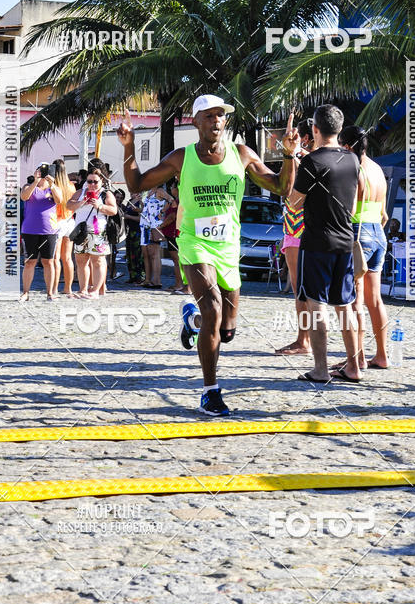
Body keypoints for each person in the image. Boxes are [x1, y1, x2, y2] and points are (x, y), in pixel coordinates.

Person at [117, 94, 299, 416]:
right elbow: (137, 184)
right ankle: (210, 391)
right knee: (214, 307)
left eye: (221, 115)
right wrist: (129, 147)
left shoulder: (241, 154)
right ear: (196, 121)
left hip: (228, 246)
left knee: (225, 329)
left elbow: (283, 188)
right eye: (210, 115)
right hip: (194, 242)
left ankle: (192, 319)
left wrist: (288, 154)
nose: (217, 121)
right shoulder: (181, 158)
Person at [287, 104, 361, 384]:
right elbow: (353, 205)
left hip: (317, 240)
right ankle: (353, 366)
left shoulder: (312, 162)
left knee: (314, 304)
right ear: (339, 129)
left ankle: (320, 368)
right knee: (345, 306)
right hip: (344, 240)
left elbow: (294, 202)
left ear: (315, 130)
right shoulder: (352, 160)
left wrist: (293, 159)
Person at [338, 125, 390, 370]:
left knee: (355, 302)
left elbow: (348, 210)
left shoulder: (353, 168)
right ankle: (382, 355)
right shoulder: (378, 169)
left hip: (359, 235)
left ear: (346, 145)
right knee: (375, 300)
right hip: (379, 234)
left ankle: (357, 358)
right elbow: (384, 214)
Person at [274, 118, 317, 355]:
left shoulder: (301, 159)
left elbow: (288, 188)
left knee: (300, 288)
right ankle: (306, 339)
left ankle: (304, 341)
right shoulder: (324, 157)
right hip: (307, 225)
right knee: (309, 289)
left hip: (296, 226)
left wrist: (291, 152)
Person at [66, 166, 118, 299]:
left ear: (101, 181)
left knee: (98, 261)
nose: (92, 185)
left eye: (95, 181)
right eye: (89, 181)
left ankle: (95, 290)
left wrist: (99, 206)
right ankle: (83, 290)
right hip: (81, 232)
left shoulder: (105, 194)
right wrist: (81, 202)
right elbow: (69, 205)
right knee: (81, 261)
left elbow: (113, 210)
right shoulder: (80, 192)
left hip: (97, 231)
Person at [20, 164, 63, 300]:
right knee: (29, 262)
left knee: (48, 261)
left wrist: (52, 183)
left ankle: (50, 293)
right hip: (30, 230)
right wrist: (36, 181)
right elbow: (24, 197)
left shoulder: (53, 188)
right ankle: (25, 292)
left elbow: (59, 200)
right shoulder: (28, 186)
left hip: (49, 231)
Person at [51, 160, 76, 298]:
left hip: (57, 221)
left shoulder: (54, 187)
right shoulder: (71, 186)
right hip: (70, 221)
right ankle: (68, 288)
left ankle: (54, 288)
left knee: (55, 258)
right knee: (67, 258)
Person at [140, 187, 172, 289]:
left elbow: (171, 200)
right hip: (145, 225)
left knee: (155, 253)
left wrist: (162, 212)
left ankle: (156, 280)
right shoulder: (147, 191)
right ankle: (148, 279)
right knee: (146, 254)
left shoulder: (160, 191)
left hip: (155, 224)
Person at [161, 179, 189, 294]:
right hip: (171, 233)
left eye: (172, 187)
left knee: (177, 261)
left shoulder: (178, 201)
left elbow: (173, 216)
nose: (171, 189)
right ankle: (179, 283)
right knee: (177, 261)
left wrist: (161, 226)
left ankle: (180, 284)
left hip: (174, 233)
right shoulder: (176, 200)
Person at [122, 192, 144, 284]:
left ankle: (140, 276)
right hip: (129, 231)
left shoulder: (140, 201)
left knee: (138, 255)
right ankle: (132, 275)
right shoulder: (130, 201)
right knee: (130, 255)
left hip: (137, 231)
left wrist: (128, 216)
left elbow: (141, 218)